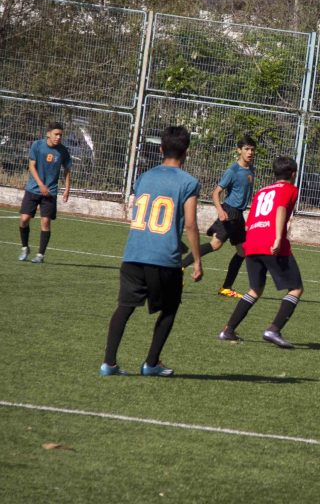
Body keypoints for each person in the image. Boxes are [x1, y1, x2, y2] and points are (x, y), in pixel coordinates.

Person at [100, 126, 203, 377]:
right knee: (170, 308)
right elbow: (189, 223)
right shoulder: (188, 182)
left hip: (133, 254)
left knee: (124, 307)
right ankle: (151, 363)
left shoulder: (144, 177)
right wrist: (197, 260)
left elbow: (140, 214)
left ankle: (108, 363)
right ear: (186, 152)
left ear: (160, 149)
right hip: (164, 259)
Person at [218, 156, 302, 349]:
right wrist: (278, 238)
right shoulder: (291, 189)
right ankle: (274, 329)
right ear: (293, 174)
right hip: (270, 242)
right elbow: (281, 208)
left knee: (255, 289)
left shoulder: (262, 191)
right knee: (296, 288)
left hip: (252, 241)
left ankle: (228, 329)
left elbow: (253, 216)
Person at [181, 135, 256, 298]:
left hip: (239, 215)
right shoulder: (232, 171)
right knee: (215, 245)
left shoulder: (251, 170)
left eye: (252, 149)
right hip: (229, 211)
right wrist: (220, 210)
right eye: (246, 149)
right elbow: (216, 192)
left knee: (243, 252)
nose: (250, 152)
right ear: (239, 150)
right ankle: (180, 267)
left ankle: (226, 288)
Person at [18, 122, 72, 264]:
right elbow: (31, 166)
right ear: (48, 133)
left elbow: (67, 170)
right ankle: (25, 247)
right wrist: (40, 184)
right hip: (33, 189)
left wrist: (67, 189)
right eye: (56, 134)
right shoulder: (37, 145)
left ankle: (40, 255)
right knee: (24, 220)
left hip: (50, 192)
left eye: (60, 135)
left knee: (46, 221)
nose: (58, 137)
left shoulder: (63, 151)